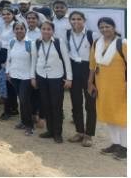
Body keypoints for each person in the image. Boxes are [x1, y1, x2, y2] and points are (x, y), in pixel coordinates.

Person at [88, 17, 127, 160]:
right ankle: (115, 144)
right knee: (109, 115)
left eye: (107, 27)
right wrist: (90, 82)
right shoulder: (96, 43)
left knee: (122, 117)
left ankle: (125, 147)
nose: (104, 30)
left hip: (120, 87)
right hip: (102, 86)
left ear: (114, 27)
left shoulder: (123, 43)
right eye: (102, 27)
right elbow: (92, 65)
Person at [31, 21, 72, 143]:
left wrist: (69, 78)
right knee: (46, 105)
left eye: (49, 29)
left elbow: (66, 61)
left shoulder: (59, 43)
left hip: (56, 77)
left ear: (53, 31)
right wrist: (32, 77)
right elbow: (33, 61)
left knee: (56, 106)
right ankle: (50, 131)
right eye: (43, 29)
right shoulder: (36, 43)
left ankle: (57, 133)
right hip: (41, 77)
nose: (46, 31)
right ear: (40, 30)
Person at [66, 10, 98, 147]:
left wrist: (92, 78)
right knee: (76, 103)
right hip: (74, 69)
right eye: (73, 19)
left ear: (84, 21)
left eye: (79, 19)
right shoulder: (67, 34)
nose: (76, 21)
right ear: (70, 21)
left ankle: (89, 135)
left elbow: (96, 56)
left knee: (90, 105)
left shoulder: (92, 35)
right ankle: (79, 131)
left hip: (88, 70)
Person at [6, 21, 36, 136]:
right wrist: (7, 72)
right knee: (21, 100)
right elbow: (9, 58)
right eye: (16, 28)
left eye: (21, 28)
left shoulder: (30, 43)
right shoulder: (12, 42)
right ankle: (23, 122)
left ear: (25, 29)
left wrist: (32, 76)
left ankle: (29, 126)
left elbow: (34, 61)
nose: (19, 30)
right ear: (13, 30)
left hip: (27, 77)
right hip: (14, 76)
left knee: (24, 100)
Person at [0, 7, 19, 121]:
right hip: (2, 54)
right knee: (7, 83)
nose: (5, 16)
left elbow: (15, 43)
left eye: (8, 14)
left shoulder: (15, 26)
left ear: (13, 14)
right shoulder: (3, 26)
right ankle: (14, 108)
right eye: (3, 14)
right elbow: (0, 42)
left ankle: (7, 111)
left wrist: (8, 61)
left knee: (7, 83)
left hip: (10, 55)